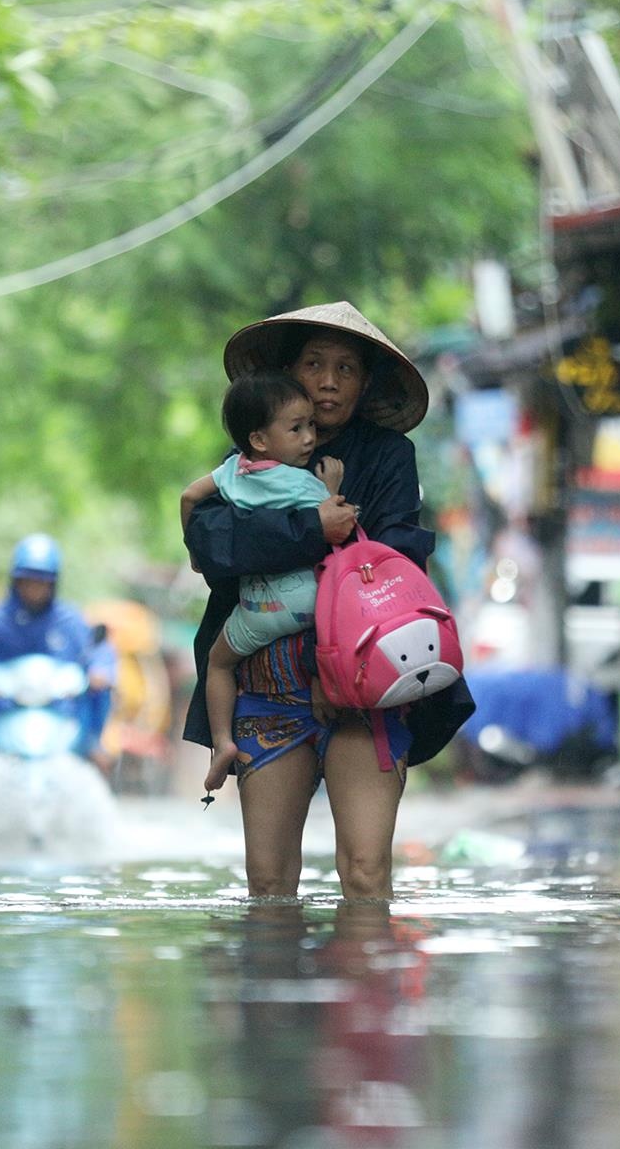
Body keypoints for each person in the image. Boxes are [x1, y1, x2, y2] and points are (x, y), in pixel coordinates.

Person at [183, 301, 475, 901]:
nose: (328, 380)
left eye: (345, 368)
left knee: (366, 876)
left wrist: (328, 661)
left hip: (365, 690)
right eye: (314, 364)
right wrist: (315, 529)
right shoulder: (249, 457)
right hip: (266, 692)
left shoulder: (389, 457)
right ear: (291, 373)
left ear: (365, 383)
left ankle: (364, 992)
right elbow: (211, 544)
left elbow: (393, 563)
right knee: (268, 886)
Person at [180, 371, 347, 795]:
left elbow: (187, 498)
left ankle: (221, 743)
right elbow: (337, 523)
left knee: (219, 663)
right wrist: (331, 487)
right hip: (307, 609)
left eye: (310, 425)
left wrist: (196, 555)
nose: (309, 437)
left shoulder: (230, 473)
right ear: (258, 438)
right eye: (296, 428)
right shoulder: (303, 482)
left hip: (256, 612)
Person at [0, 535, 103, 784]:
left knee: (88, 732)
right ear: (16, 581)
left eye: (41, 582)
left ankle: (96, 749)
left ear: (53, 583)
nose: (34, 588)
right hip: (0, 707)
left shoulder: (70, 621)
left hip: (55, 708)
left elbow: (96, 652)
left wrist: (100, 671)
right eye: (28, 581)